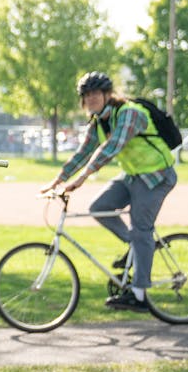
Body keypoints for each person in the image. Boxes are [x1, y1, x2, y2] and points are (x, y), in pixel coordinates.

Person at [40, 71, 177, 312]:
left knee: (141, 228)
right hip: (133, 176)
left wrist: (83, 177)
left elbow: (112, 148)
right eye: (86, 95)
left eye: (95, 93)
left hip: (157, 176)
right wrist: (57, 180)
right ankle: (136, 246)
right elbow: (82, 153)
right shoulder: (98, 122)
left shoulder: (129, 113)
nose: (91, 98)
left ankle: (139, 294)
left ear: (107, 94)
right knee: (99, 207)